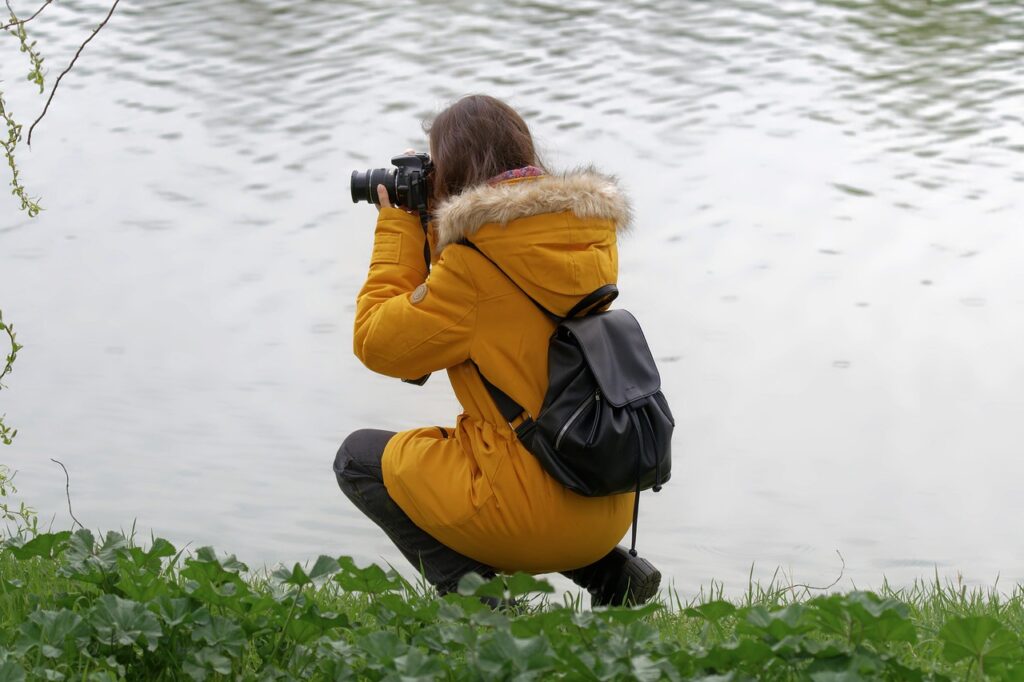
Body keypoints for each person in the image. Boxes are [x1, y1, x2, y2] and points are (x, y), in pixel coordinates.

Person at [334, 94, 661, 606]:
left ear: (453, 173)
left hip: (532, 517)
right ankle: (609, 574)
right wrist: (442, 235)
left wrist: (399, 226)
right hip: (606, 497)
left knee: (358, 459)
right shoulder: (589, 238)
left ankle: (478, 602)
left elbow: (377, 343)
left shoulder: (471, 269)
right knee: (507, 442)